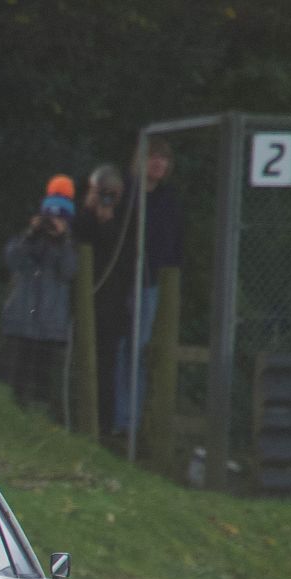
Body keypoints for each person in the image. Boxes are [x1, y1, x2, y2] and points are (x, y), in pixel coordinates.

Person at [121, 138, 184, 434]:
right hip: (122, 281)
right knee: (121, 348)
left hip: (151, 283)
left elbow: (174, 241)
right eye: (153, 157)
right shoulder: (127, 194)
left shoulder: (168, 198)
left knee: (140, 349)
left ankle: (131, 420)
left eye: (164, 159)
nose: (159, 163)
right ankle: (117, 419)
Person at [0, 182, 78, 416]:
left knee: (42, 380)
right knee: (15, 377)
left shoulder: (69, 247)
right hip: (21, 321)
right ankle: (10, 413)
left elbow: (69, 271)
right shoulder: (26, 241)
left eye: (58, 219)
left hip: (50, 326)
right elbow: (11, 260)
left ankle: (37, 417)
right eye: (47, 218)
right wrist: (30, 234)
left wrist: (62, 240)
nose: (51, 223)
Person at [72, 163, 135, 440]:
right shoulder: (81, 215)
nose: (107, 198)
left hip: (112, 303)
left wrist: (108, 220)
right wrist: (90, 210)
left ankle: (104, 427)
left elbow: (121, 256)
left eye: (112, 193)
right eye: (102, 192)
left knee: (106, 366)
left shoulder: (125, 221)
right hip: (83, 300)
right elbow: (77, 238)